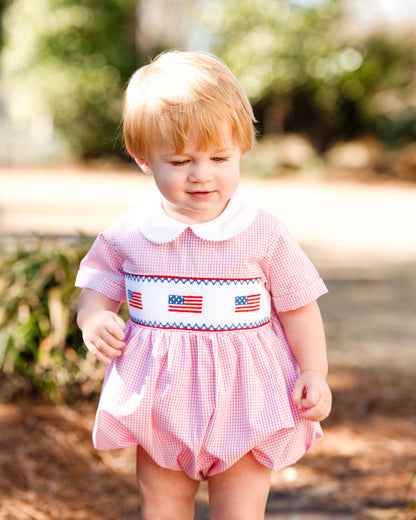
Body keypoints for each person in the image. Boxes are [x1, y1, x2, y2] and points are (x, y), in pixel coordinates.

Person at [76, 50, 332, 520]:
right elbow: (97, 281)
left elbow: (299, 305)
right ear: (142, 158)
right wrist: (93, 315)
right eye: (179, 160)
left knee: (240, 509)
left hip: (246, 395)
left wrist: (313, 371)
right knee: (162, 503)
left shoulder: (261, 231)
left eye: (220, 157)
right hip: (161, 395)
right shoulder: (130, 233)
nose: (202, 174)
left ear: (241, 149)